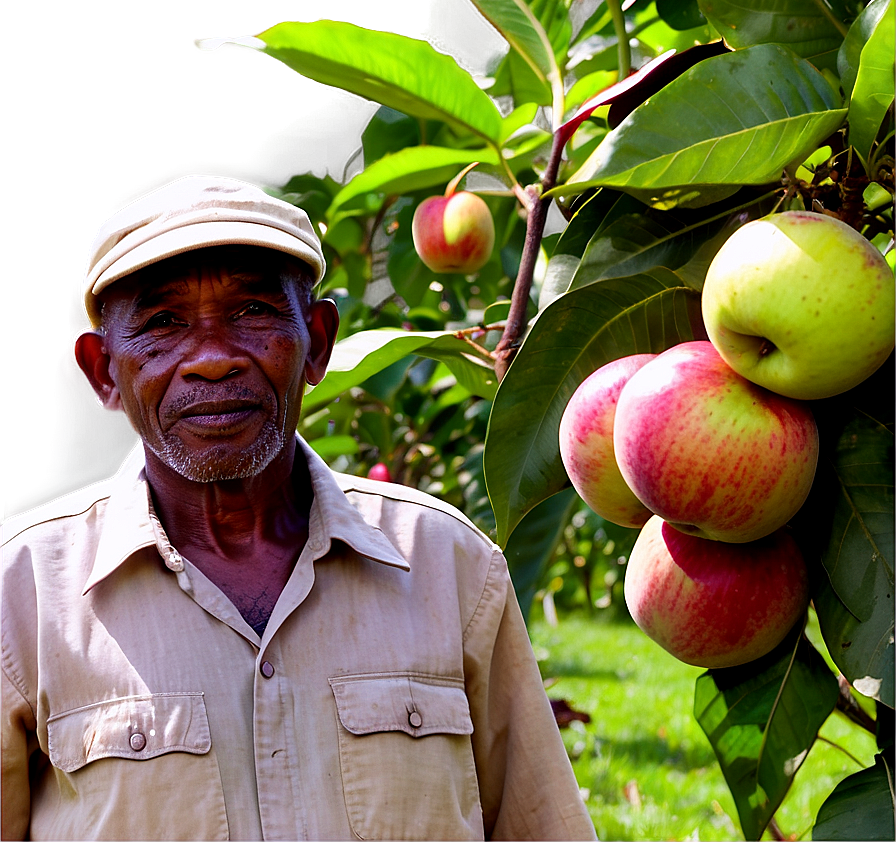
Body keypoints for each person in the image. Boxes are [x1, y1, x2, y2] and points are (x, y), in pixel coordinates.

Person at [1, 176, 597, 841]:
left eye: (253, 309)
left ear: (316, 341)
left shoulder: (446, 563)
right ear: (103, 370)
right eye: (162, 322)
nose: (213, 359)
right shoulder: (20, 594)